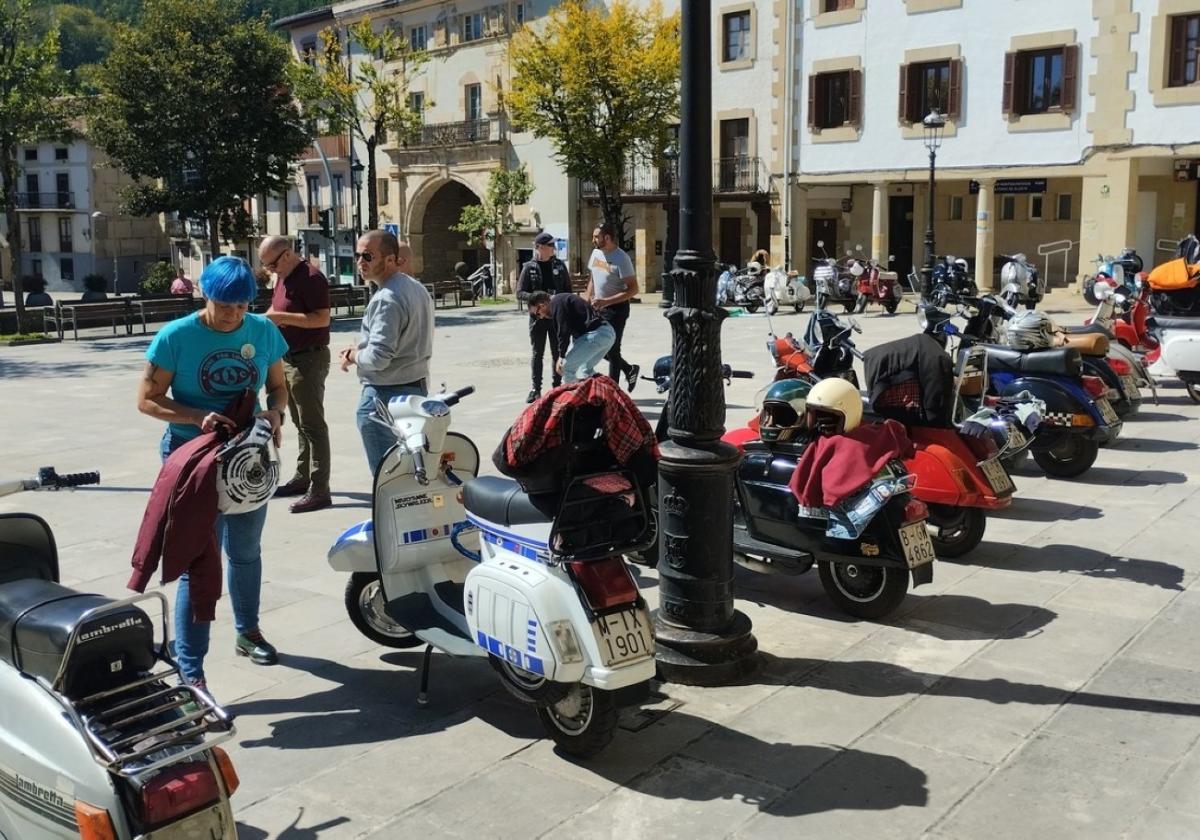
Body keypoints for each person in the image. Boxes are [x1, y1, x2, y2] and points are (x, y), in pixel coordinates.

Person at [135, 256, 289, 693]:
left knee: (245, 551)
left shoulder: (262, 331)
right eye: (225, 305)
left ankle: (249, 632)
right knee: (196, 562)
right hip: (192, 458)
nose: (233, 315)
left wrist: (275, 412)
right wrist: (197, 416)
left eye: (242, 305)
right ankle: (190, 667)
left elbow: (278, 386)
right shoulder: (176, 337)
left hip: (246, 459)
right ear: (205, 295)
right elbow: (147, 399)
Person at [340, 231, 434, 475]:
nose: (360, 262)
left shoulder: (386, 298)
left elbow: (379, 358)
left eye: (368, 256)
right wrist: (360, 349)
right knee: (411, 471)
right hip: (415, 388)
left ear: (391, 259)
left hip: (384, 397)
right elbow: (399, 343)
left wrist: (353, 357)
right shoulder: (416, 288)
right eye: (358, 255)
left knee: (390, 478)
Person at [260, 235, 333, 513]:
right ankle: (302, 478)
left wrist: (280, 318)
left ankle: (320, 489)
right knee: (300, 423)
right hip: (287, 358)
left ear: (288, 254)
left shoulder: (312, 277)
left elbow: (322, 318)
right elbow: (275, 310)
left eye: (272, 264)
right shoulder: (283, 276)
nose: (270, 270)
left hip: (309, 359)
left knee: (313, 425)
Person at [517, 232, 571, 403]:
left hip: (556, 317)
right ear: (539, 247)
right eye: (550, 245)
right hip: (538, 317)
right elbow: (519, 293)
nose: (553, 248)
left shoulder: (560, 266)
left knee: (558, 353)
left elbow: (568, 291)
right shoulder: (529, 267)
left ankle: (557, 386)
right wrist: (538, 298)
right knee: (537, 353)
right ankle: (536, 388)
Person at [586, 223, 640, 392]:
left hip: (617, 309)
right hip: (598, 307)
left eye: (596, 236)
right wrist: (588, 298)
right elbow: (593, 278)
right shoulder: (596, 253)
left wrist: (606, 301)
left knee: (612, 348)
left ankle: (613, 391)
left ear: (607, 238)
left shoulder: (621, 258)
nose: (593, 239)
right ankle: (629, 369)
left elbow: (633, 289)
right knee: (600, 347)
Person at [527, 290, 615, 383]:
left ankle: (575, 396)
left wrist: (561, 357)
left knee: (565, 369)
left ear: (542, 304)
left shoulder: (556, 303)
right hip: (607, 334)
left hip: (597, 335)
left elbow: (563, 331)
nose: (541, 317)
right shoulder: (561, 300)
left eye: (538, 313)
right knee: (586, 370)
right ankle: (600, 393)